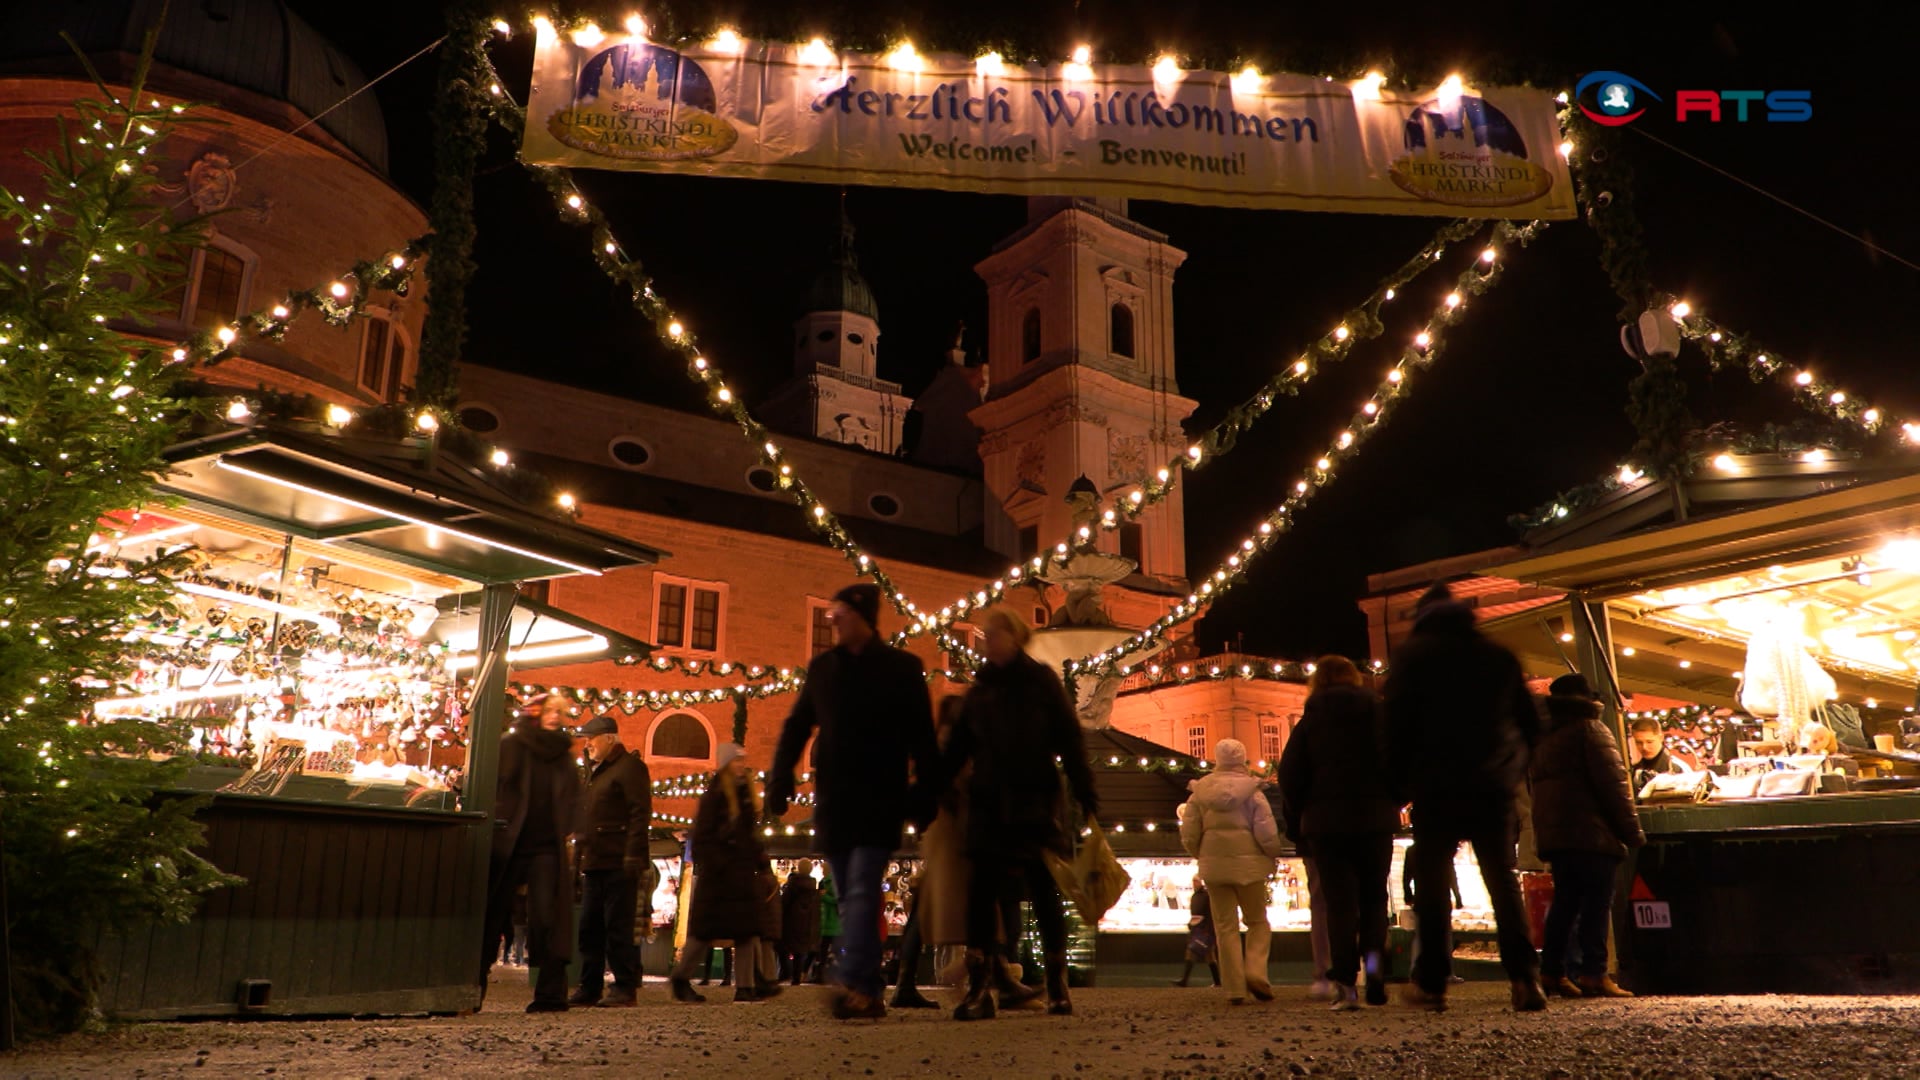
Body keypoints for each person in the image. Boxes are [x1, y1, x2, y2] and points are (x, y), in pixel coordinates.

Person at [767, 583, 939, 1020]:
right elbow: (797, 724)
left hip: (881, 797)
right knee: (848, 896)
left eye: (839, 613)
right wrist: (781, 776)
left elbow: (922, 736)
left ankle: (858, 984)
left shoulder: (902, 668)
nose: (833, 621)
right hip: (837, 801)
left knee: (863, 889)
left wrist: (925, 794)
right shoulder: (824, 668)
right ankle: (871, 989)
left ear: (862, 615)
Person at [1385, 582, 1545, 1013]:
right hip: (1492, 786)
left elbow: (1395, 730)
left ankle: (1433, 984)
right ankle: (1525, 980)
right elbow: (1530, 724)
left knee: (1433, 886)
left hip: (1435, 787)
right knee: (1501, 880)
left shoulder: (1413, 659)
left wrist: (1401, 787)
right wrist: (1512, 770)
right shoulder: (1499, 657)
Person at [941, 607, 1097, 1019]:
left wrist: (1085, 791)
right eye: (985, 635)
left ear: (1015, 636)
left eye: (993, 634)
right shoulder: (980, 690)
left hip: (1033, 800)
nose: (986, 640)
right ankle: (980, 989)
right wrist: (931, 791)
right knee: (981, 893)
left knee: (1044, 890)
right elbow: (957, 748)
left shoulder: (1041, 681)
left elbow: (1069, 737)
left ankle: (1058, 984)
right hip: (989, 801)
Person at [1279, 656, 1400, 1011]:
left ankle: (1346, 985)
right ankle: (1375, 972)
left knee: (1340, 905)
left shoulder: (1310, 722)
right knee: (1375, 901)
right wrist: (1393, 798)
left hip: (1326, 825)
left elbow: (1290, 776)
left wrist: (1300, 816)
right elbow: (1400, 762)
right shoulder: (1380, 715)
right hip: (1376, 820)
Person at [1531, 674, 1645, 999]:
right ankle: (1595, 973)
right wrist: (1631, 832)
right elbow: (1613, 786)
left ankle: (1552, 972)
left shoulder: (1542, 736)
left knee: (1565, 903)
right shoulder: (1590, 729)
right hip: (1591, 832)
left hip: (1559, 834)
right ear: (1589, 700)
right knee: (1597, 904)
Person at [479, 694, 580, 1012]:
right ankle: (472, 986)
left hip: (546, 844)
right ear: (535, 712)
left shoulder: (563, 754)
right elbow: (493, 784)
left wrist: (568, 828)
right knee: (493, 913)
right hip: (509, 839)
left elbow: (573, 795)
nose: (555, 716)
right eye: (550, 710)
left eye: (560, 712)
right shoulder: (511, 744)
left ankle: (551, 993)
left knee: (547, 916)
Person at [669, 743, 779, 1004]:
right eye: (736, 761)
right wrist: (719, 864)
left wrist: (762, 865)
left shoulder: (744, 797)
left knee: (747, 930)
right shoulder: (715, 795)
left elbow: (750, 838)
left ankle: (746, 986)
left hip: (739, 875)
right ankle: (680, 978)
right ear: (726, 764)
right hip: (719, 877)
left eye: (743, 760)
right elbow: (703, 836)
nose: (741, 765)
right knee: (704, 933)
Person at [1179, 738, 1284, 1006]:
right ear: (1242, 759)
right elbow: (1266, 833)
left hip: (1215, 869)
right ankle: (1256, 972)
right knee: (1258, 922)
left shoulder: (1199, 793)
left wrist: (1201, 856)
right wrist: (1272, 854)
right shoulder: (1253, 793)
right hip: (1250, 869)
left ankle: (1234, 988)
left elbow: (1189, 834)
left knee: (1225, 927)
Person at [569, 714, 652, 1008]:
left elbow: (639, 813)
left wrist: (633, 854)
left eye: (591, 738)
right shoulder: (596, 771)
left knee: (618, 926)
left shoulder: (629, 768)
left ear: (609, 738)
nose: (587, 743)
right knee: (590, 927)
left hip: (619, 860)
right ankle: (590, 986)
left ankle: (625, 987)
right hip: (595, 860)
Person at [1172, 880, 1221, 988]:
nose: (1194, 883)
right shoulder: (1198, 896)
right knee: (1208, 955)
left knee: (1194, 952)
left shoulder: (1205, 896)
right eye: (1193, 881)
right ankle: (1217, 982)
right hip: (1201, 929)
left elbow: (1210, 913)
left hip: (1205, 930)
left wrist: (1208, 928)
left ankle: (1185, 980)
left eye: (1196, 881)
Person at [780, 860, 821, 986]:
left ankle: (786, 972)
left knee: (784, 947)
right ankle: (796, 977)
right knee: (800, 951)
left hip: (792, 920)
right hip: (807, 921)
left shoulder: (793, 884)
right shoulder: (813, 885)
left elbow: (785, 902)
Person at [1626, 717, 1678, 797]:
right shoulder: (1634, 771)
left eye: (1649, 742)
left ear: (1661, 738)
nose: (1644, 747)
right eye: (1639, 742)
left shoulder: (1677, 767)